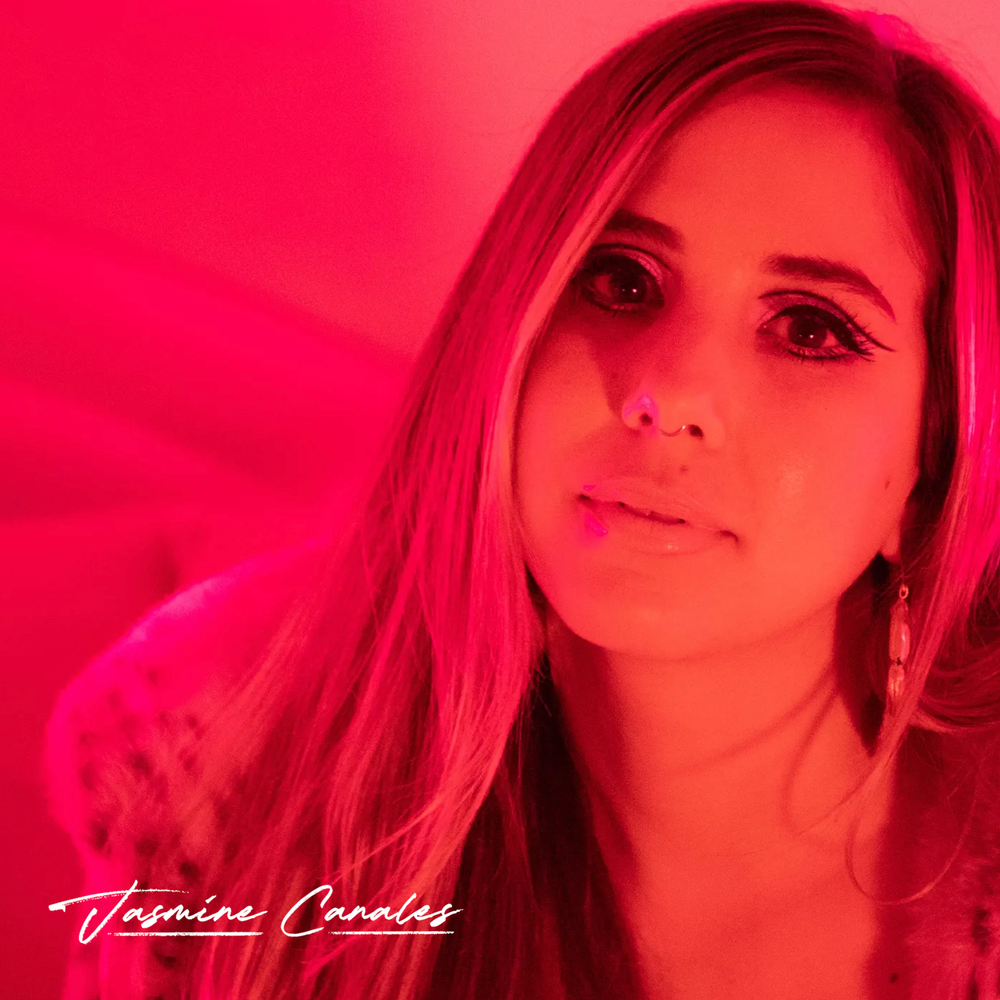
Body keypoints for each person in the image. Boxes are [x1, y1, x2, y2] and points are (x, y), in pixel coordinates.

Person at [44, 1, 1000, 997]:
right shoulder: (229, 787)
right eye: (621, 280)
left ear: (932, 463)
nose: (664, 393)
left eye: (809, 330)